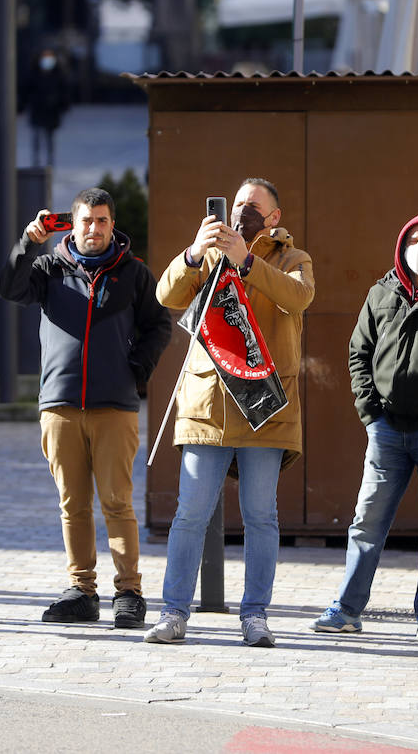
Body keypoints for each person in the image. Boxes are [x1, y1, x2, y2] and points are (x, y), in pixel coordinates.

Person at [146, 178, 314, 647]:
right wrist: (194, 254)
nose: (242, 211)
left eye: (253, 206)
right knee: (190, 514)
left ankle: (255, 615)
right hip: (209, 406)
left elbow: (298, 297)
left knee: (261, 516)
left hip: (264, 406)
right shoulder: (210, 254)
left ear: (274, 217)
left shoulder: (293, 259)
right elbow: (166, 295)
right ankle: (174, 612)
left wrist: (248, 262)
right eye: (238, 203)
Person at [0, 187, 171, 629]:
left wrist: (135, 370)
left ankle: (128, 591)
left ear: (112, 225)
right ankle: (81, 591)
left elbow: (158, 326)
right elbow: (10, 288)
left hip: (115, 405)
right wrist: (28, 242)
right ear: (72, 226)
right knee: (73, 503)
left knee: (117, 501)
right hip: (59, 405)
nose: (94, 228)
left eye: (101, 221)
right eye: (86, 221)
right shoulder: (49, 268)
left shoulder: (134, 273)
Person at [312, 214, 418, 641]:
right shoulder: (381, 291)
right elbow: (358, 352)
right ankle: (347, 608)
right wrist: (370, 412)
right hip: (386, 428)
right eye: (413, 239)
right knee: (367, 521)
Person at [24, 48, 70, 166]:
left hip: (51, 110)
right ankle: (36, 160)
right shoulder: (34, 73)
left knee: (50, 136)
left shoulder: (58, 74)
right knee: (37, 135)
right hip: (37, 109)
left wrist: (62, 105)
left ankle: (50, 159)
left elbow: (64, 92)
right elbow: (26, 90)